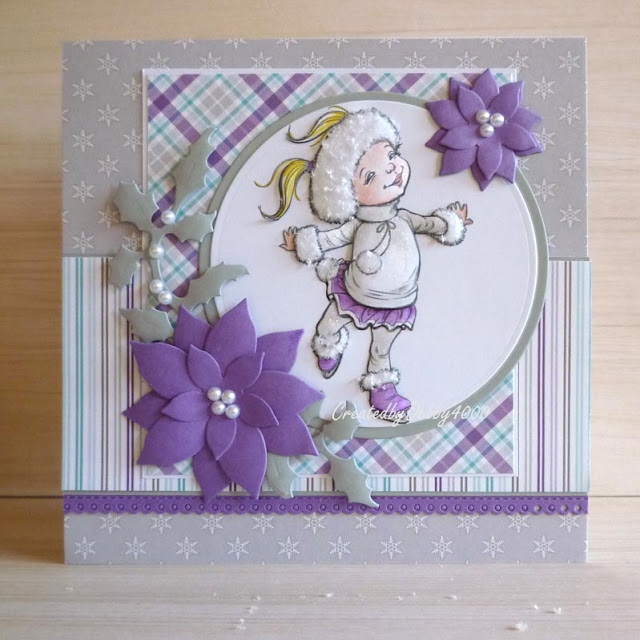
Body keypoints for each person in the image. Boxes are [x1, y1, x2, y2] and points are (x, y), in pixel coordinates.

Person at [258, 106, 472, 420]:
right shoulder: (358, 226)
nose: (392, 169)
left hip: (396, 301)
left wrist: (451, 223)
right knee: (330, 323)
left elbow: (430, 224)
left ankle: (382, 390)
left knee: (381, 349)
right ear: (349, 195)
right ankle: (327, 346)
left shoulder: (404, 218)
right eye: (371, 176)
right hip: (354, 292)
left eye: (391, 156)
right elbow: (332, 237)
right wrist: (303, 244)